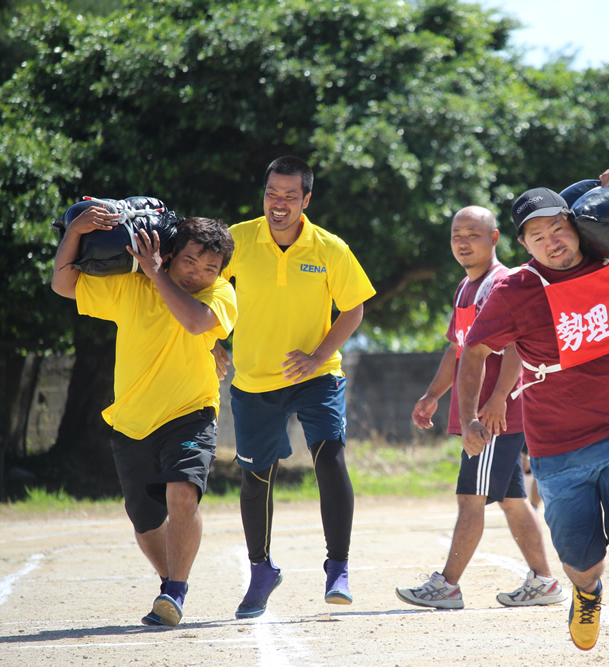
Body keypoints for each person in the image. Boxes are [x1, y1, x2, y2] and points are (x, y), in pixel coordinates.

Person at [458, 164, 609, 666]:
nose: (552, 242)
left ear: (577, 225)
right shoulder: (513, 292)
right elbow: (474, 352)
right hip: (556, 448)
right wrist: (470, 418)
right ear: (523, 245)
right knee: (580, 560)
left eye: (558, 228)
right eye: (537, 236)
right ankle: (586, 592)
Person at [52, 212, 237, 626]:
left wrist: (159, 276)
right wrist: (78, 230)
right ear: (169, 255)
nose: (199, 274)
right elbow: (62, 282)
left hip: (191, 413)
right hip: (132, 421)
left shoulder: (220, 294)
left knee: (182, 493)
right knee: (145, 519)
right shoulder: (132, 286)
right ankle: (169, 581)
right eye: (190, 261)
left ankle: (176, 592)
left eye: (210, 268)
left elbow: (194, 322)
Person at [214, 156, 376, 619]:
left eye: (289, 196)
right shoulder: (237, 240)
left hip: (317, 376)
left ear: (306, 200)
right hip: (253, 379)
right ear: (262, 193)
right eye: (272, 194)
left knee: (330, 456)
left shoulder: (330, 248)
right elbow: (203, 286)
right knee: (256, 478)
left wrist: (317, 357)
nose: (278, 204)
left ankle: (338, 566)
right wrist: (212, 343)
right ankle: (262, 570)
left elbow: (353, 310)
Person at [396, 206, 565, 610]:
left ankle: (448, 586)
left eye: (473, 233)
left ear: (493, 238)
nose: (462, 241)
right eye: (457, 234)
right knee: (510, 499)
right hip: (481, 412)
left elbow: (515, 349)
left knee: (470, 496)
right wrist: (433, 394)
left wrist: (495, 401)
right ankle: (544, 581)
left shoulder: (501, 283)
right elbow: (458, 349)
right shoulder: (465, 288)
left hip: (493, 416)